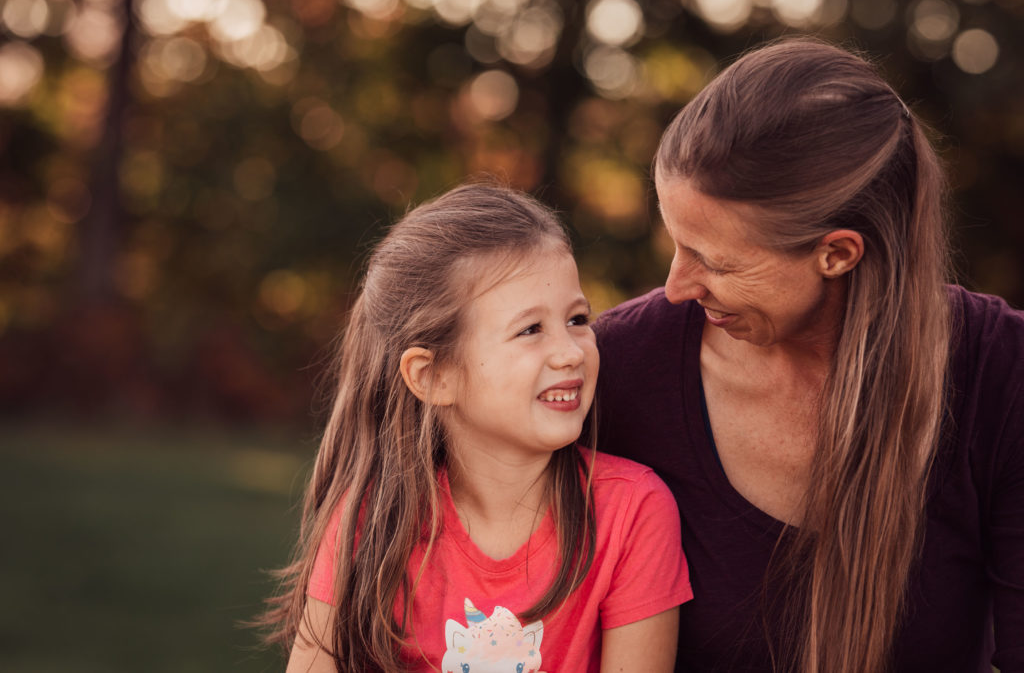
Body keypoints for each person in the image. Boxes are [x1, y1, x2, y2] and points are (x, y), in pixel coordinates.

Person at [594, 37, 1024, 673]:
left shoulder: (1001, 372)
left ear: (838, 254)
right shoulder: (616, 369)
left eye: (714, 260)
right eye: (678, 244)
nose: (678, 286)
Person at [261, 184, 692, 672]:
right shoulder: (372, 523)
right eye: (531, 329)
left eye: (576, 319)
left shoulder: (633, 513)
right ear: (434, 376)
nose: (571, 351)